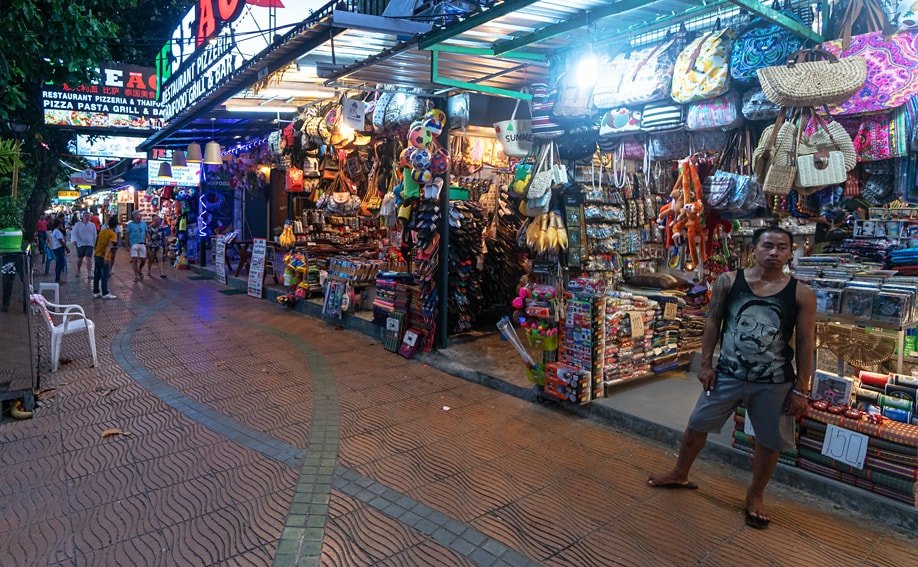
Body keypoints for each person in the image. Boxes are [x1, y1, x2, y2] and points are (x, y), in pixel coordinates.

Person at [648, 226, 816, 530]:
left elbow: (806, 342)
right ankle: (679, 472)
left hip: (775, 381)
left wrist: (802, 388)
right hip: (727, 373)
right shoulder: (728, 281)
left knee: (768, 441)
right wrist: (706, 363)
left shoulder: (801, 294)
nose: (774, 253)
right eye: (768, 246)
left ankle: (755, 495)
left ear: (791, 253)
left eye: (781, 247)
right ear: (754, 249)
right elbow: (713, 321)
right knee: (697, 424)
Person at [92, 216, 118, 299]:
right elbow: (109, 245)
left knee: (97, 274)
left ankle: (96, 292)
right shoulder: (113, 234)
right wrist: (106, 256)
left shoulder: (103, 231)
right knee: (104, 275)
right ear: (116, 226)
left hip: (97, 254)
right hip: (103, 256)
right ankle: (105, 293)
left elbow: (97, 241)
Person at [71, 211, 97, 282]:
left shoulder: (92, 225)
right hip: (80, 244)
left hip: (89, 244)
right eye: (86, 216)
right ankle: (78, 270)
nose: (87, 217)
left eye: (88, 216)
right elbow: (73, 233)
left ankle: (89, 273)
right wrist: (74, 240)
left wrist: (94, 243)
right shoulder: (78, 224)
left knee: (89, 258)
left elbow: (95, 234)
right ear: (83, 217)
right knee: (80, 258)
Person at [125, 211, 147, 282]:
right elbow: (127, 235)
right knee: (134, 260)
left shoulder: (143, 224)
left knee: (143, 259)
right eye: (138, 214)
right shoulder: (130, 224)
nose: (140, 216)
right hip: (134, 243)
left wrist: (148, 240)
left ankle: (139, 270)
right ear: (134, 216)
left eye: (140, 214)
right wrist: (127, 245)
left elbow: (146, 232)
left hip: (142, 243)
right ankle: (136, 276)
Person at [49, 219, 69, 284]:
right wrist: (67, 247)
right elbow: (61, 241)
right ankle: (57, 279)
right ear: (59, 225)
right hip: (58, 248)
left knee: (58, 264)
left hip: (56, 248)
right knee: (61, 264)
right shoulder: (57, 232)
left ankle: (58, 278)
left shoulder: (55, 231)